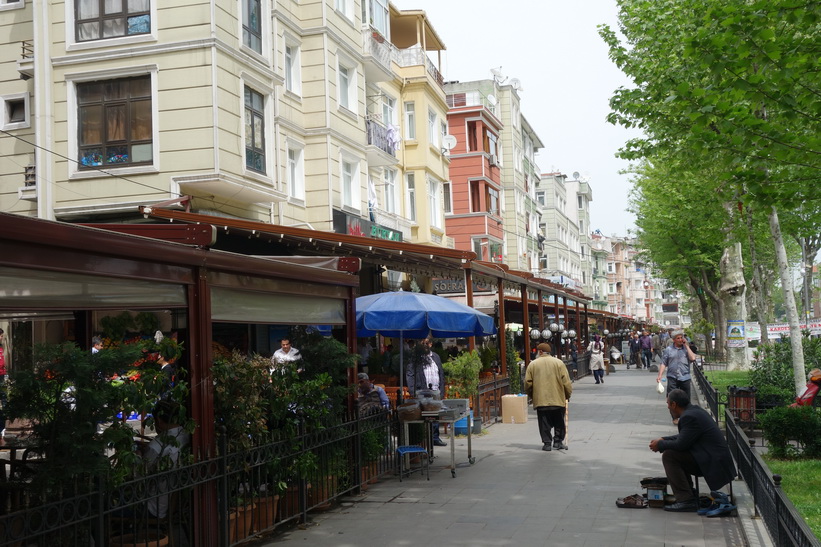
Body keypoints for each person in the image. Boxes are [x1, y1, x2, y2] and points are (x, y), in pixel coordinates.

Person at [649, 389, 736, 513]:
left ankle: (686, 500)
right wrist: (663, 439)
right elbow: (685, 436)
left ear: (674, 404)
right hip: (710, 457)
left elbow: (681, 444)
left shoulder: (689, 416)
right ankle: (689, 494)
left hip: (713, 464)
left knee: (670, 455)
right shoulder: (694, 411)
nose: (668, 407)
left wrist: (661, 445)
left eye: (668, 403)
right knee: (673, 454)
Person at [142, 400, 190, 519]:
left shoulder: (156, 446)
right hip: (175, 505)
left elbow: (140, 476)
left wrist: (138, 457)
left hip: (152, 507)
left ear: (158, 420)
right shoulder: (187, 436)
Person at [524, 342, 573, 451]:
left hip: (541, 400)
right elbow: (566, 382)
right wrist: (567, 394)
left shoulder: (533, 364)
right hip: (558, 398)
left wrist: (532, 395)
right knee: (559, 421)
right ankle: (558, 441)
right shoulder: (559, 363)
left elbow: (527, 383)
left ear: (540, 352)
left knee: (544, 422)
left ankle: (547, 443)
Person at [406, 336, 446, 447]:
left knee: (435, 415)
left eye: (427, 343)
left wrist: (442, 391)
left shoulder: (436, 357)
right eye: (422, 343)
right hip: (422, 392)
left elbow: (441, 374)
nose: (425, 345)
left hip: (435, 391)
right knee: (424, 417)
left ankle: (435, 438)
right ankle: (424, 439)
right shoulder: (415, 358)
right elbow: (410, 375)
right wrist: (413, 392)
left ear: (431, 344)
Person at [657, 330, 697, 398]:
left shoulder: (686, 349)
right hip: (672, 377)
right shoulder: (668, 350)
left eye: (681, 337)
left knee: (686, 400)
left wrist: (687, 346)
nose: (680, 340)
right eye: (678, 338)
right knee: (671, 398)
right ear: (674, 340)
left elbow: (693, 358)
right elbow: (663, 363)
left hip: (685, 378)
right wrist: (660, 375)